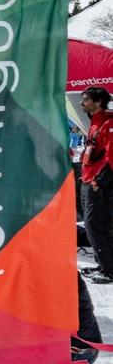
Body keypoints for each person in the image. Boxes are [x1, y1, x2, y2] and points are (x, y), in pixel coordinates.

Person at [80, 87, 113, 282]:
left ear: (98, 101)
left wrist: (98, 181)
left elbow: (111, 157)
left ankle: (108, 270)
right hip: (88, 179)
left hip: (98, 183)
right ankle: (104, 265)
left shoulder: (108, 123)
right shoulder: (95, 122)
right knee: (92, 224)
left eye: (86, 100)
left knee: (96, 225)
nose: (81, 103)